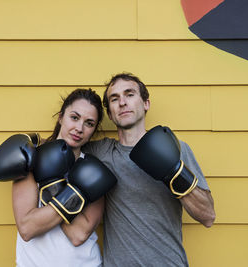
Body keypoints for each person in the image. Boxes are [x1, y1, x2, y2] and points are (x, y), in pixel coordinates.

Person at [82, 73, 216, 266]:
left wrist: (173, 172)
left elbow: (208, 216)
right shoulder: (101, 152)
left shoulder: (176, 148)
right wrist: (31, 144)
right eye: (114, 98)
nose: (122, 102)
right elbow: (65, 145)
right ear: (110, 114)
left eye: (129, 94)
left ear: (146, 104)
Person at [0, 88, 116, 267]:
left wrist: (52, 184)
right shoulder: (32, 160)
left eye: (89, 123)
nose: (79, 128)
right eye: (74, 117)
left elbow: (78, 234)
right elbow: (27, 228)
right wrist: (72, 193)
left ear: (93, 130)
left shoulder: (93, 170)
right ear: (61, 117)